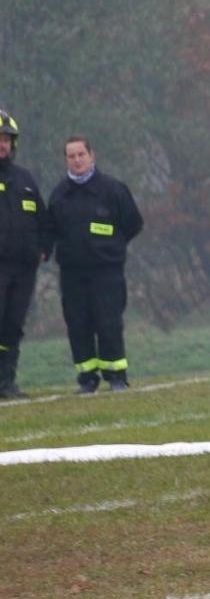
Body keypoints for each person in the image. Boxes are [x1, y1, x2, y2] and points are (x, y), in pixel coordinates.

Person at [45, 136, 143, 392]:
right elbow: (50, 230)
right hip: (72, 274)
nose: (77, 160)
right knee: (78, 324)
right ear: (66, 159)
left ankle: (116, 376)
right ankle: (87, 378)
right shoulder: (59, 195)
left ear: (92, 156)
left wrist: (111, 246)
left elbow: (133, 223)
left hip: (106, 271)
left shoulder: (112, 189)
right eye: (71, 156)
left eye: (81, 155)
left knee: (108, 321)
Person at [0, 107, 48, 400]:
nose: (2, 144)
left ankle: (7, 383)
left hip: (24, 269)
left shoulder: (25, 180)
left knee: (13, 325)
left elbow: (43, 220)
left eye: (7, 139)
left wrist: (43, 249)